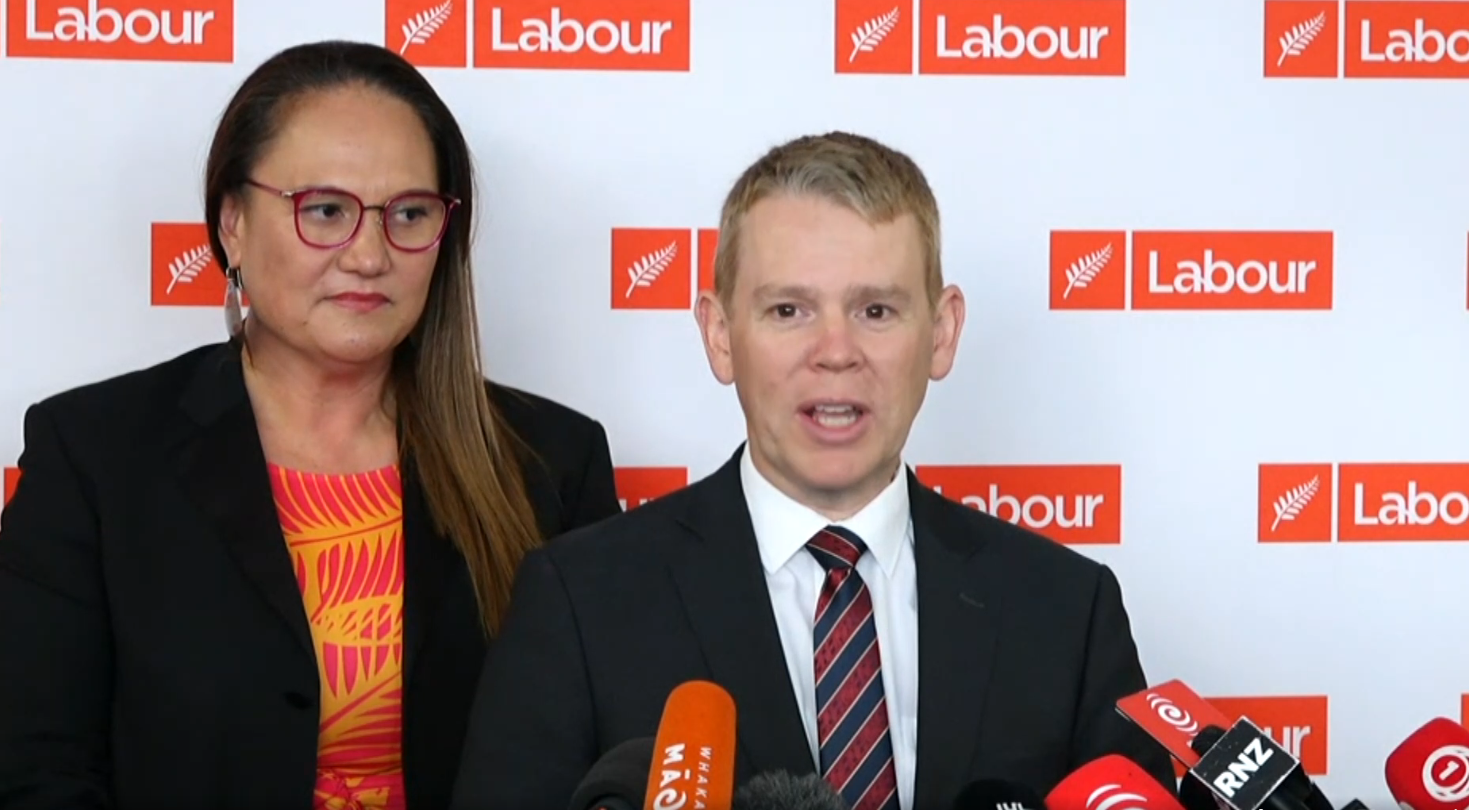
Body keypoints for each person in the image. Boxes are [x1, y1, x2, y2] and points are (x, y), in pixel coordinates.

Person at [448, 131, 1176, 810]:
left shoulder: (1066, 611)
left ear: (942, 333)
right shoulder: (579, 601)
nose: (834, 351)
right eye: (789, 309)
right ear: (720, 334)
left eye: (877, 310)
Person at [0, 40, 623, 810]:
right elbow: (35, 770)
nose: (368, 255)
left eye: (409, 214)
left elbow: (605, 765)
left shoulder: (552, 463)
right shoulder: (95, 453)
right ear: (232, 224)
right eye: (324, 210)